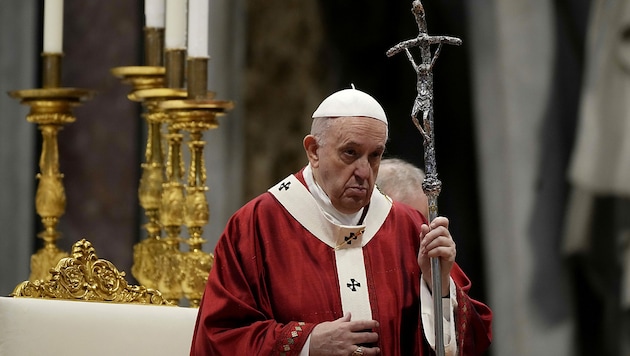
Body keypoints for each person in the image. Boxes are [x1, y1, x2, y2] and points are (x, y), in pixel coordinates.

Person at [190, 87, 493, 355]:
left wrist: (437, 286)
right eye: (350, 153)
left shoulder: (410, 226)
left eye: (375, 156)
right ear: (313, 151)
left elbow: (473, 337)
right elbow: (219, 337)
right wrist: (307, 343)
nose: (364, 171)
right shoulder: (256, 225)